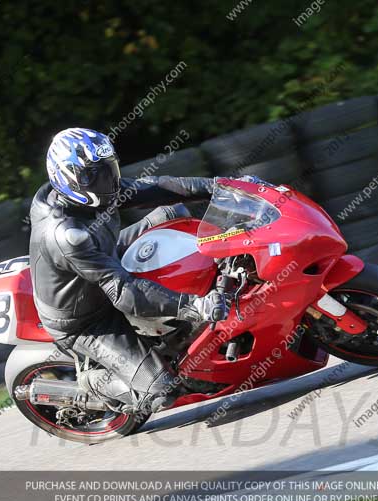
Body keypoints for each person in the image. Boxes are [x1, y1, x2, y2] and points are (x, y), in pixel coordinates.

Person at [28, 127, 228, 415]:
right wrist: (194, 306)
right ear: (69, 177)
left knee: (173, 214)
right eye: (93, 175)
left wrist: (219, 186)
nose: (107, 181)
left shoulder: (87, 192)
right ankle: (92, 384)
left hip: (104, 257)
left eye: (108, 170)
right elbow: (123, 292)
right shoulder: (66, 234)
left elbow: (158, 187)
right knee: (162, 393)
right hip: (86, 319)